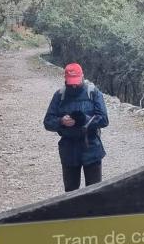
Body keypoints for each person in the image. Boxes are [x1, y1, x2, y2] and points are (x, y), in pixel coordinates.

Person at [43, 62, 109, 192]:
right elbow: (47, 122)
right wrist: (61, 121)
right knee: (71, 192)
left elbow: (104, 120)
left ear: (83, 77)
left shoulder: (93, 93)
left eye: (76, 81)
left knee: (94, 191)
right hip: (68, 149)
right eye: (71, 82)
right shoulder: (59, 96)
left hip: (91, 147)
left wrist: (85, 119)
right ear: (65, 79)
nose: (73, 85)